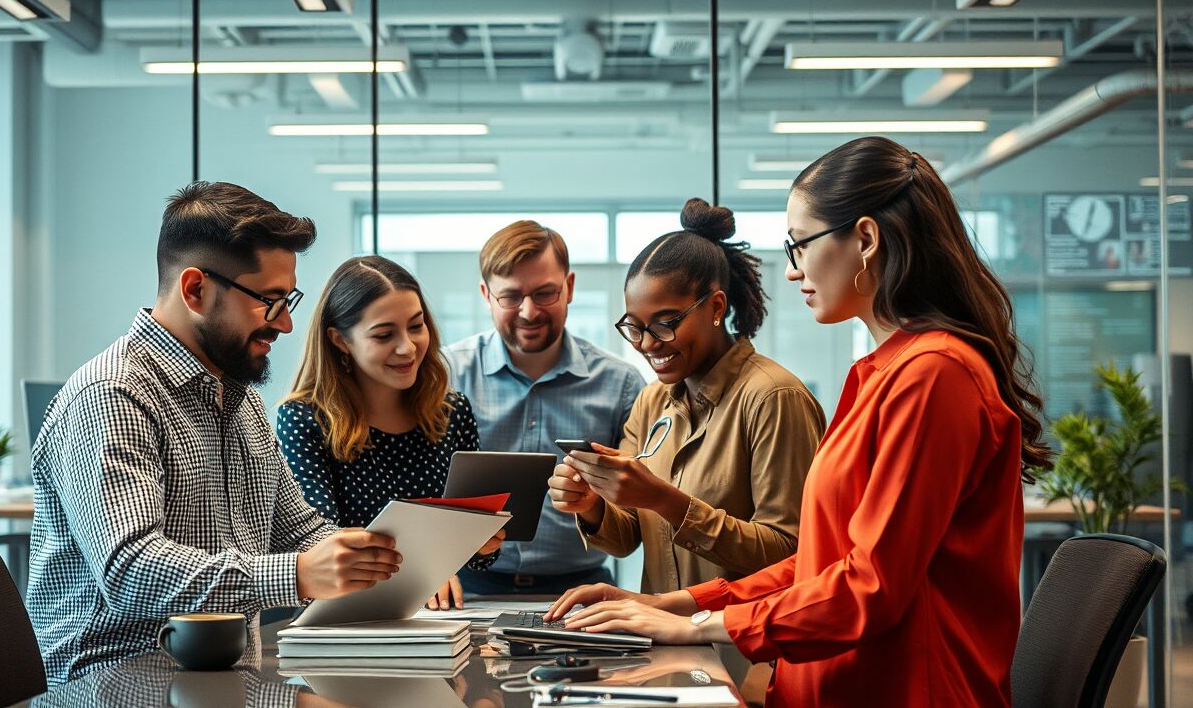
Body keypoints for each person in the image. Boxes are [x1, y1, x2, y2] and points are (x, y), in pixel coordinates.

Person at [547, 138, 1052, 708]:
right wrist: (683, 603)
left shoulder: (932, 374)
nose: (793, 272)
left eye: (799, 246)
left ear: (865, 239)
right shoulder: (882, 373)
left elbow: (870, 586)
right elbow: (822, 562)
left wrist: (700, 626)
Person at [28, 182, 402, 683]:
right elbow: (130, 567)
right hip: (114, 681)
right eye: (269, 301)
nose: (287, 324)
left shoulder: (239, 398)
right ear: (195, 290)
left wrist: (390, 559)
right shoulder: (112, 394)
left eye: (288, 299)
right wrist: (297, 574)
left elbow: (298, 530)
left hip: (219, 678)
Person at [547, 198, 824, 594]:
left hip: (744, 649)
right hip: (666, 642)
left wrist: (668, 502)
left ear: (715, 306)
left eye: (665, 324)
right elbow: (626, 537)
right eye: (635, 327)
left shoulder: (773, 398)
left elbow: (791, 554)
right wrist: (590, 503)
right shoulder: (652, 401)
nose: (647, 344)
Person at [278, 256, 502, 610]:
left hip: (438, 617)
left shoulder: (452, 411)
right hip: (347, 619)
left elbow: (477, 559)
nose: (408, 347)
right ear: (340, 340)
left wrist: (481, 543)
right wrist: (420, 572)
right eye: (384, 335)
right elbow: (320, 545)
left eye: (416, 326)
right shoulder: (304, 419)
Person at [445, 220, 645, 596]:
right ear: (486, 294)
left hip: (583, 590)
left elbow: (637, 515)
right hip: (466, 587)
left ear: (569, 288)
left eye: (544, 294)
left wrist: (592, 505)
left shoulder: (620, 384)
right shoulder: (446, 375)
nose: (528, 312)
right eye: (510, 297)